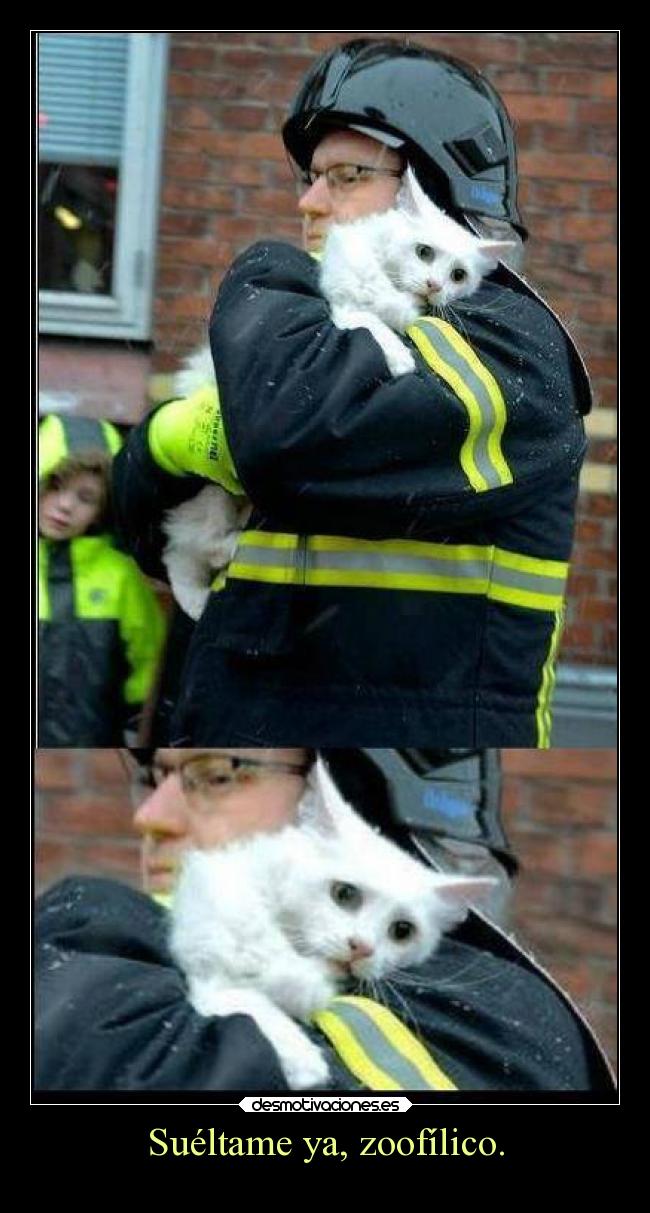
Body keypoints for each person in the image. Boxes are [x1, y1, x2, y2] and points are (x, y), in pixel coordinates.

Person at [113, 39, 591, 748]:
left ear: (436, 184)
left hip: (402, 759)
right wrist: (163, 441)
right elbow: (135, 527)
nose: (307, 202)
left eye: (344, 175)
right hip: (247, 747)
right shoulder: (315, 331)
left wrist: (266, 272)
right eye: (309, 176)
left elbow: (287, 433)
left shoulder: (510, 344)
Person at [34, 747, 615, 1093]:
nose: (149, 816)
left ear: (349, 792)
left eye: (219, 772)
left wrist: (81, 926)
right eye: (151, 775)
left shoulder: (479, 1014)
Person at [38, 413, 167, 746]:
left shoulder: (120, 576)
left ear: (102, 509)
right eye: (54, 485)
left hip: (89, 750)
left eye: (86, 497)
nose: (65, 506)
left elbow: (148, 668)